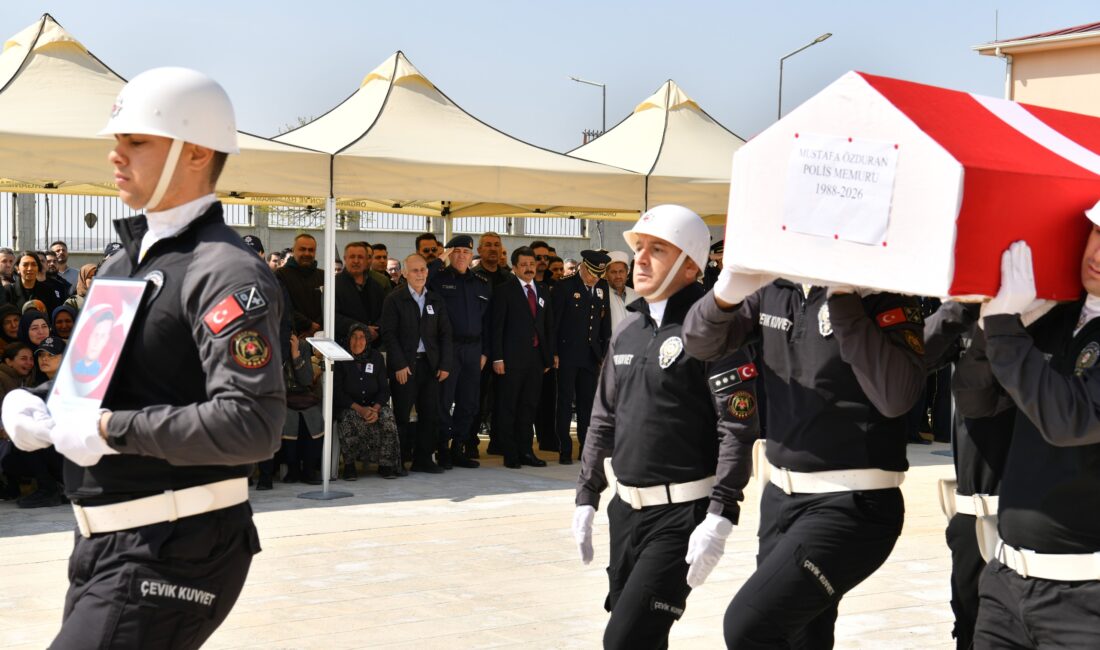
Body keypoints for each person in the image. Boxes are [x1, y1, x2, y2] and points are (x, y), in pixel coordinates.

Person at [1, 66, 284, 649]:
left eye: (136, 141)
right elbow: (101, 383)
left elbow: (252, 424)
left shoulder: (224, 270)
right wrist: (36, 405)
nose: (115, 155)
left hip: (175, 546)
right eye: (116, 141)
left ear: (197, 152)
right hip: (104, 544)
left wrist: (110, 430)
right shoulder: (122, 264)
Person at [681, 221, 924, 646]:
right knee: (801, 639)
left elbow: (896, 396)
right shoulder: (777, 289)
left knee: (749, 624)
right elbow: (700, 344)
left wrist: (844, 296)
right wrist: (723, 295)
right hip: (781, 500)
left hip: (853, 506)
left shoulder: (883, 297)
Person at [573, 205, 759, 649]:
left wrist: (722, 511)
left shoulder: (714, 331)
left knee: (623, 642)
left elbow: (736, 427)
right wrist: (587, 493)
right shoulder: (628, 329)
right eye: (639, 247)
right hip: (626, 511)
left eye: (657, 249)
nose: (639, 258)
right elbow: (603, 417)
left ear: (690, 265)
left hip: (682, 518)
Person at [954, 221, 1100, 648]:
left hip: (1086, 602)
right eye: (1097, 232)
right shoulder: (1054, 317)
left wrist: (1004, 328)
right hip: (1007, 585)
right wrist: (989, 329)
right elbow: (977, 403)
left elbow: (1067, 420)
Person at [925, 300, 1012, 649]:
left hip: (1030, 518)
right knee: (968, 625)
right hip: (972, 512)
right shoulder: (968, 313)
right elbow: (915, 356)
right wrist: (962, 307)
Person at [380, 254, 453, 473]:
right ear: (404, 273)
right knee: (401, 414)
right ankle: (398, 460)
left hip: (429, 366)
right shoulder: (394, 299)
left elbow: (445, 334)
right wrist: (400, 365)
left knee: (429, 414)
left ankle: (423, 459)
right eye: (415, 270)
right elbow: (388, 334)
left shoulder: (436, 300)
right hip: (405, 366)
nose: (420, 274)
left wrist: (445, 364)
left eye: (423, 270)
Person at [430, 235, 490, 468]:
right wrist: (439, 259)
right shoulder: (439, 278)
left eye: (466, 252)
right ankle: (443, 447)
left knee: (469, 403)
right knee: (444, 401)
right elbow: (422, 280)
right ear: (449, 254)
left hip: (474, 350)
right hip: (449, 349)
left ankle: (459, 448)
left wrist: (486, 351)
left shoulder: (481, 282)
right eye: (457, 251)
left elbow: (488, 321)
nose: (462, 256)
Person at [491, 246, 554, 469]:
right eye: (524, 265)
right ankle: (511, 453)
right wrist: (497, 358)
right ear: (515, 267)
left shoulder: (543, 290)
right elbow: (496, 327)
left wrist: (548, 357)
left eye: (532, 264)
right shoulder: (503, 290)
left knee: (529, 407)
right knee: (509, 407)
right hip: (510, 360)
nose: (529, 268)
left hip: (536, 360)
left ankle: (527, 451)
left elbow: (547, 326)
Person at [552, 250, 612, 464]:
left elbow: (605, 322)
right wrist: (554, 352)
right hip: (568, 353)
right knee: (565, 402)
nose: (594, 278)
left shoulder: (602, 287)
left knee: (588, 404)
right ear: (583, 267)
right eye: (591, 273)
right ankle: (564, 448)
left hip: (591, 354)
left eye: (599, 275)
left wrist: (605, 353)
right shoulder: (564, 286)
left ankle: (586, 448)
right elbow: (555, 323)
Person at [334, 323, 403, 478]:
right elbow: (338, 392)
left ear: (367, 341)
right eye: (354, 337)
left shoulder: (376, 357)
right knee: (347, 418)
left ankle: (386, 465)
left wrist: (376, 409)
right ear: (348, 338)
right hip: (350, 406)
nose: (357, 341)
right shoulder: (340, 358)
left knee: (388, 418)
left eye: (361, 337)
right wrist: (360, 409)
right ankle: (350, 465)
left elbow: (384, 389)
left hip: (374, 406)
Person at [334, 241, 384, 346]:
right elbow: (333, 316)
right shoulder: (333, 285)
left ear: (367, 260)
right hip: (345, 346)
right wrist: (362, 328)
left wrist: (376, 331)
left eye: (360, 257)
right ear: (345, 258)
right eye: (352, 257)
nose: (356, 261)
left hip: (372, 347)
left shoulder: (377, 286)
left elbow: (384, 313)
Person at [276, 233, 324, 335]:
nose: (307, 253)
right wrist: (308, 324)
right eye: (302, 249)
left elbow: (330, 306)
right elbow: (281, 306)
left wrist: (317, 326)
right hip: (292, 337)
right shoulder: (280, 275)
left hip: (320, 337)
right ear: (293, 251)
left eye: (311, 250)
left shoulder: (323, 276)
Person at [606, 251, 639, 331]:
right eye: (613, 272)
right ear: (606, 274)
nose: (618, 276)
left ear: (627, 272)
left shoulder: (636, 295)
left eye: (621, 271)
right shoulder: (603, 296)